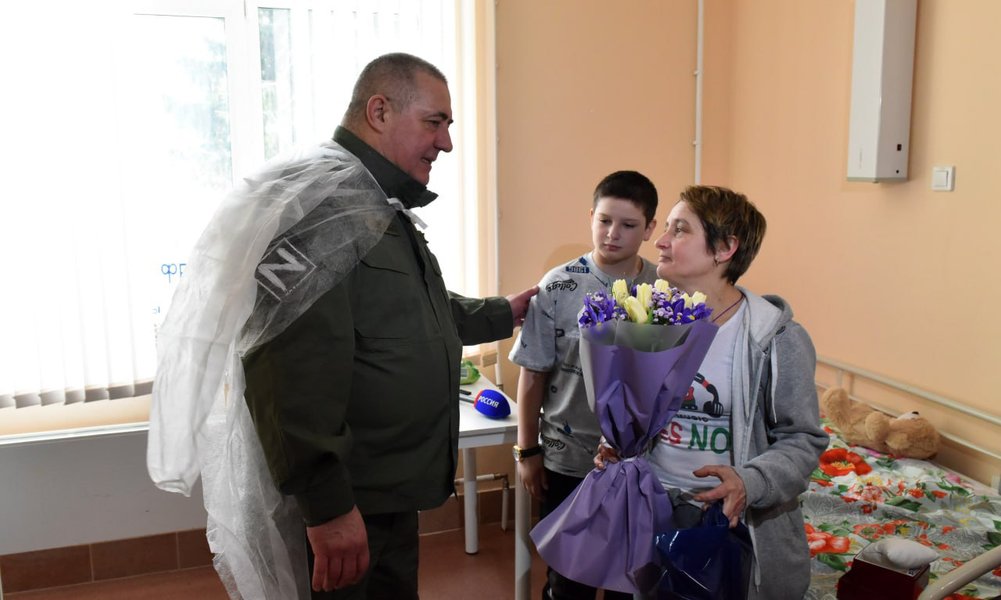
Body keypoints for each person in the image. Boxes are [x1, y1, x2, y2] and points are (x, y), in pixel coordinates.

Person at [149, 52, 537, 600]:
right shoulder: (322, 208)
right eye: (434, 122)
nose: (447, 143)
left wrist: (503, 312)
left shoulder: (371, 201)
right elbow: (289, 367)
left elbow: (412, 309)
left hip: (386, 493)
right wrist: (327, 506)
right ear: (379, 111)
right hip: (350, 499)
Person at [596, 185, 828, 599]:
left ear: (725, 248)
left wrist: (749, 481)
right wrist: (621, 442)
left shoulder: (774, 339)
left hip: (735, 527)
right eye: (666, 229)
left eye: (679, 230)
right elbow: (644, 414)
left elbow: (803, 439)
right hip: (655, 510)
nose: (661, 241)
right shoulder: (651, 323)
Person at [509, 170, 660, 600]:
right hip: (567, 459)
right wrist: (527, 452)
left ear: (650, 228)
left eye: (628, 225)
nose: (612, 234)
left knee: (630, 579)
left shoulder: (663, 288)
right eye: (604, 220)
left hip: (638, 464)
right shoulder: (559, 285)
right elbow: (532, 375)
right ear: (591, 216)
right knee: (568, 580)